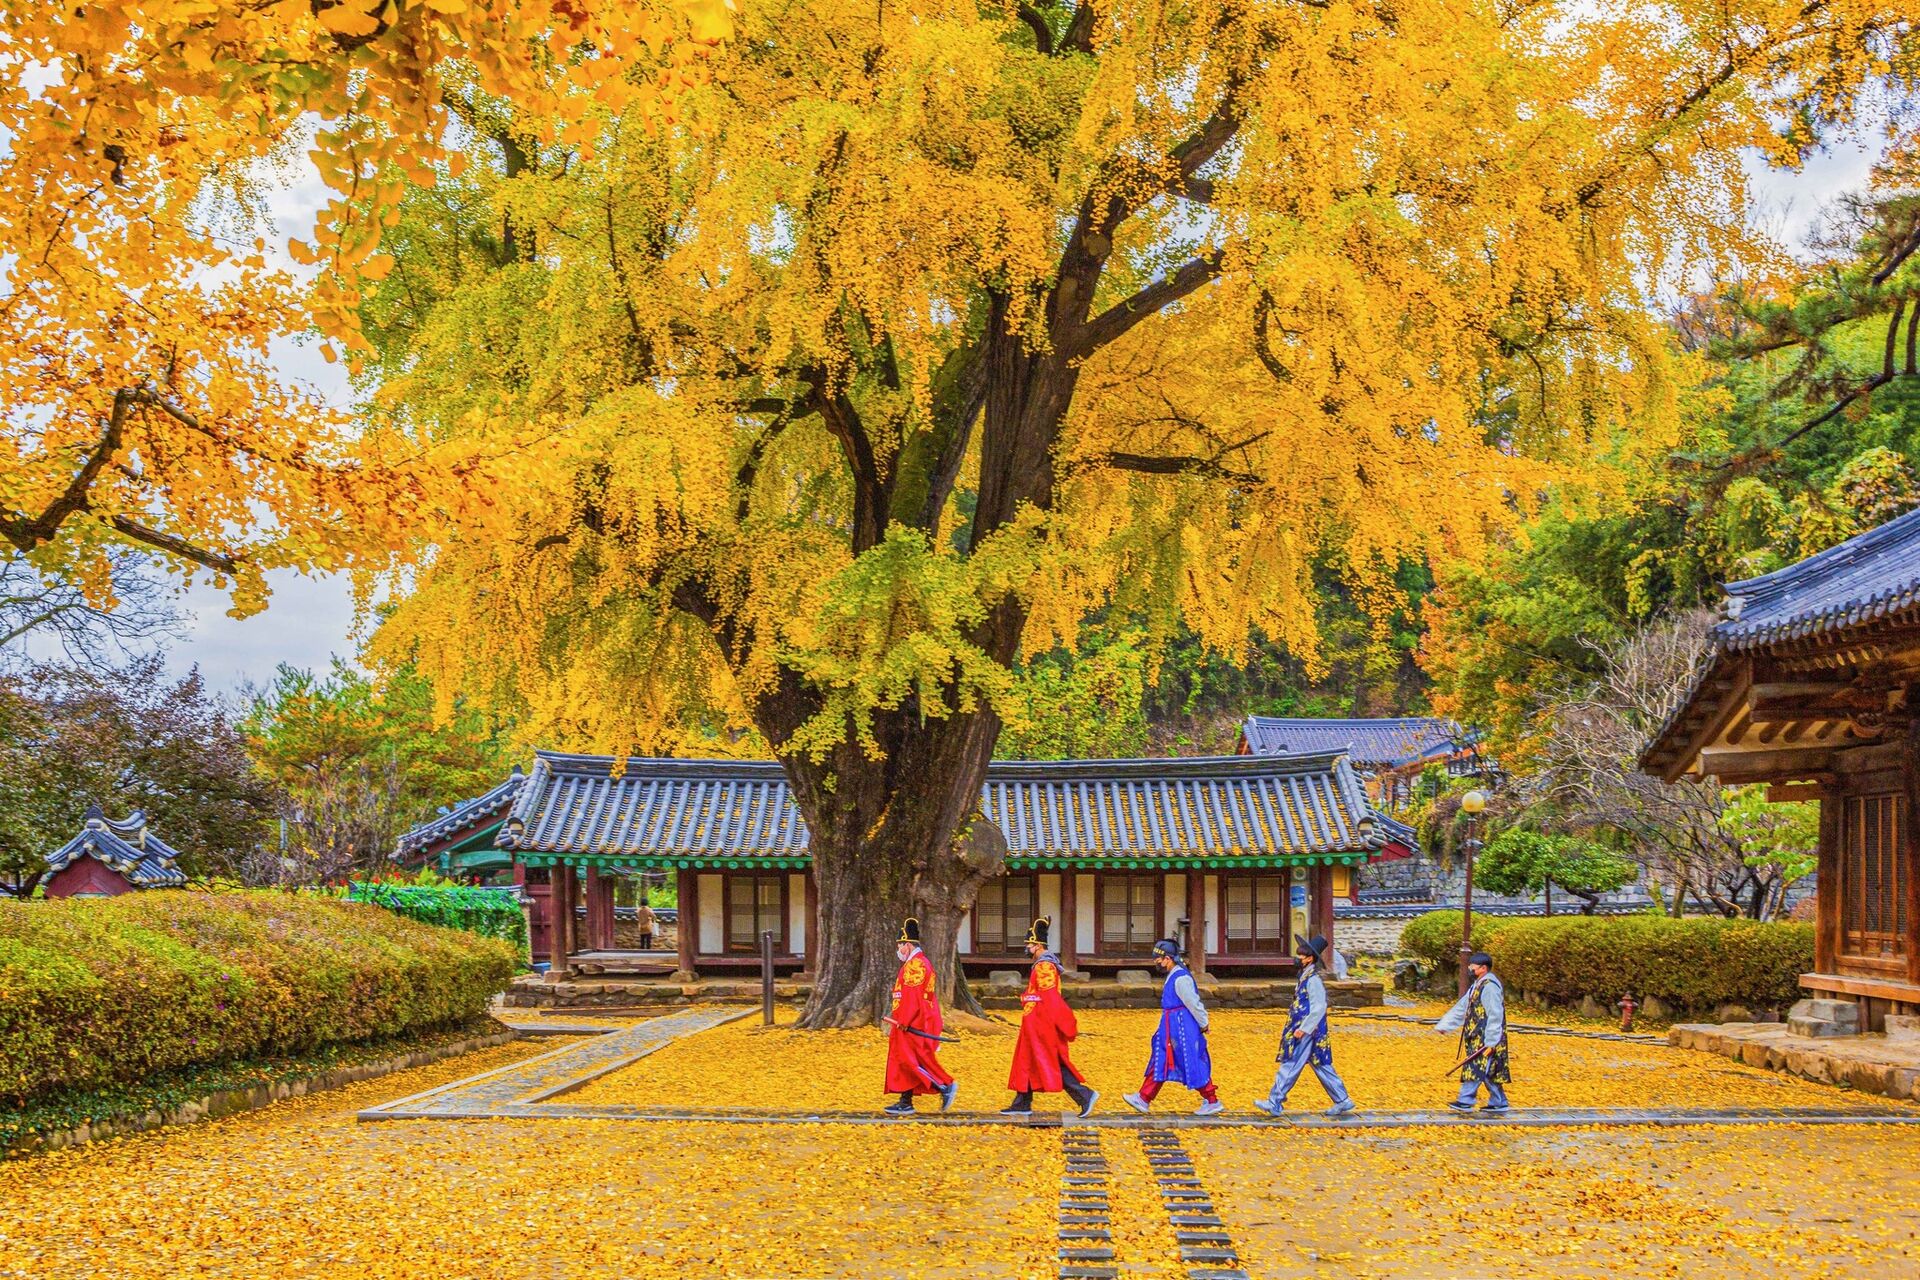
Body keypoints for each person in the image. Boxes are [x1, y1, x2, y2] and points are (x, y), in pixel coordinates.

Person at [1003, 917, 1097, 1118]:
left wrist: (1061, 1023)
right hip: (1034, 1021)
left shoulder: (1045, 967)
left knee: (1052, 1062)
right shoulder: (1041, 965)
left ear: (1037, 945)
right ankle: (1022, 1102)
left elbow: (1050, 998)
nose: (1027, 947)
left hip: (1041, 1023)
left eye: (1029, 944)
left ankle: (1084, 1095)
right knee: (1026, 1060)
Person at [1253, 934, 1355, 1118]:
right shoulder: (1306, 977)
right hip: (1305, 1027)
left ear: (1310, 959)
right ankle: (1342, 1099)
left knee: (1291, 1063)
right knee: (1321, 1065)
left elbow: (1319, 1006)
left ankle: (1275, 1101)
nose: (1298, 958)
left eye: (1301, 955)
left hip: (1306, 1029)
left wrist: (1304, 1029)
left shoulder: (1313, 980)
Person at [1124, 938, 1223, 1116]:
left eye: (1159, 960)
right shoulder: (1174, 975)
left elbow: (1193, 1003)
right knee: (1162, 1057)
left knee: (1189, 1060)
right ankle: (1144, 1097)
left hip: (1181, 1026)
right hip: (1172, 1024)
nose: (1157, 963)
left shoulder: (1181, 978)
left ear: (1168, 959)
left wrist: (1203, 1022)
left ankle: (1212, 1099)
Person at [882, 917, 958, 1116]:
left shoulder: (916, 966)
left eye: (900, 945)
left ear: (907, 944)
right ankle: (905, 1101)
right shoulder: (918, 963)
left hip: (911, 1021)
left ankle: (944, 1086)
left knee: (910, 1061)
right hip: (912, 1019)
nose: (898, 949)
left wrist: (904, 1021)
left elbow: (912, 996)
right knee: (905, 1060)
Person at [1435, 950, 1510, 1114]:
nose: (1470, 970)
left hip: (1487, 1037)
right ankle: (1499, 1101)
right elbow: (1463, 1007)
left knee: (1476, 1068)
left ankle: (1465, 1100)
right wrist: (1445, 1025)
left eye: (1473, 967)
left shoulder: (1490, 987)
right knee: (1489, 1070)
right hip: (1477, 1036)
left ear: (1483, 968)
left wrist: (1491, 1041)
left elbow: (1495, 1015)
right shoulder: (1477, 986)